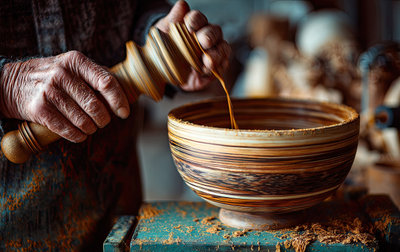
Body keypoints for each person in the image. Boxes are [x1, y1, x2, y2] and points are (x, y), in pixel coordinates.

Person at [0, 0, 230, 250]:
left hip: (116, 207)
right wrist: (7, 85)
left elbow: (135, 8)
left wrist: (160, 43)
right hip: (16, 225)